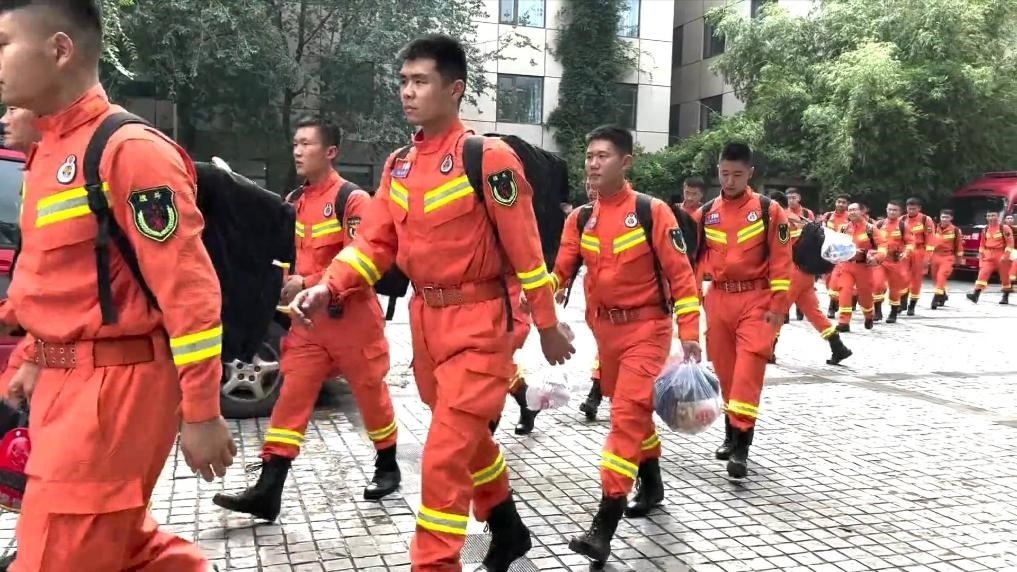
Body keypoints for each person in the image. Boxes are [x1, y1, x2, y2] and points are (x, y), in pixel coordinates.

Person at [287, 35, 575, 572]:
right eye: (403, 81)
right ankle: (508, 529)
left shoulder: (488, 158)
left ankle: (435, 563)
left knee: (443, 458)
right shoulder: (399, 165)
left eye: (420, 81)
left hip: (483, 324)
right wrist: (330, 284)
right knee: (465, 437)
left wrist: (546, 322)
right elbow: (373, 243)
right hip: (427, 324)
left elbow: (526, 249)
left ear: (454, 88)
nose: (407, 92)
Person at [0, 2, 235, 571]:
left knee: (58, 551)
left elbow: (190, 292)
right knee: (125, 548)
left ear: (60, 49)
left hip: (114, 391)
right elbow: (60, 281)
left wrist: (202, 412)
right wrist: (33, 354)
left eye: (2, 43)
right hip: (64, 385)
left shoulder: (130, 151)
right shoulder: (48, 151)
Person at [212, 118, 401, 523]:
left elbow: (365, 262)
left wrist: (310, 282)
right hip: (308, 326)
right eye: (295, 143)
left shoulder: (352, 200)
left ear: (330, 152)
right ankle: (269, 487)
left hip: (351, 320)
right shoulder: (294, 201)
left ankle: (387, 464)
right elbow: (287, 257)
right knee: (292, 396)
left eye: (306, 144)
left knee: (371, 395)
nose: (297, 151)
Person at [549, 126, 701, 565]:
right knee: (632, 410)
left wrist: (689, 332)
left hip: (647, 331)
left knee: (625, 415)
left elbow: (681, 277)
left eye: (603, 156)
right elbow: (561, 270)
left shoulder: (652, 212)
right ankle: (651, 485)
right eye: (589, 156)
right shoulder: (581, 218)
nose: (593, 164)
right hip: (606, 334)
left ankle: (604, 525)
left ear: (626, 162)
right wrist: (537, 296)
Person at [699, 142, 791, 480]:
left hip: (757, 300)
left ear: (750, 173)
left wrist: (778, 307)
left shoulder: (768, 210)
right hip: (719, 299)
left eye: (737, 174)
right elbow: (690, 260)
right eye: (724, 174)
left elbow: (782, 262)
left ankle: (741, 446)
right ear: (718, 171)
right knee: (726, 373)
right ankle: (730, 432)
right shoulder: (706, 212)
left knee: (747, 373)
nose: (730, 181)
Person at [768, 191, 851, 366]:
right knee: (813, 312)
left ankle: (768, 350)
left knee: (778, 310)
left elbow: (779, 247)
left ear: (776, 204)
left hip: (791, 273)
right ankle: (838, 347)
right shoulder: (797, 218)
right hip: (806, 274)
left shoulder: (782, 220)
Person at [834, 204, 877, 332]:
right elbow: (836, 245)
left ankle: (869, 315)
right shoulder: (843, 229)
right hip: (846, 266)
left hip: (864, 267)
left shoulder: (870, 229)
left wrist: (873, 255)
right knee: (845, 291)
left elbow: (882, 246)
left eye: (854, 210)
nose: (851, 212)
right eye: (850, 210)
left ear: (862, 211)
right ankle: (843, 322)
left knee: (865, 296)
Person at [872, 201, 911, 323]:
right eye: (890, 209)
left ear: (900, 212)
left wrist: (906, 252)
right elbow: (871, 241)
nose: (892, 212)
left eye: (895, 210)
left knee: (894, 290)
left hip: (896, 262)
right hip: (880, 261)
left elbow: (910, 242)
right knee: (877, 285)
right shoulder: (879, 224)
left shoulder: (903, 226)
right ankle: (877, 312)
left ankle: (893, 313)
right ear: (886, 210)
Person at [967, 211, 1013, 304]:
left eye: (993, 215)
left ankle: (1005, 296)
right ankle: (975, 295)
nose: (990, 218)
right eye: (988, 216)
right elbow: (982, 244)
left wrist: (1006, 255)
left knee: (1005, 277)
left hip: (1001, 254)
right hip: (988, 255)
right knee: (982, 274)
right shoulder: (985, 229)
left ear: (998, 217)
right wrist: (981, 254)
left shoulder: (1004, 228)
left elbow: (1010, 243)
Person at [902, 197, 935, 315]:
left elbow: (930, 240)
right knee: (902, 277)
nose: (911, 211)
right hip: (905, 251)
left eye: (914, 209)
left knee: (916, 280)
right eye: (909, 208)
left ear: (919, 208)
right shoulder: (902, 219)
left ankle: (912, 305)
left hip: (919, 251)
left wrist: (927, 257)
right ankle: (902, 301)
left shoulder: (925, 220)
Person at [821, 194, 851, 317]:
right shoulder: (828, 216)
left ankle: (832, 306)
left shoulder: (850, 217)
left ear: (847, 204)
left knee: (837, 280)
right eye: (839, 201)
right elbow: (821, 230)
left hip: (842, 252)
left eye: (843, 202)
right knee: (828, 279)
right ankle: (835, 299)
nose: (840, 204)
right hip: (828, 251)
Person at [929, 209, 963, 309]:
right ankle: (943, 296)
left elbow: (959, 246)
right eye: (943, 217)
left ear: (951, 218)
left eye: (947, 217)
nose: (944, 219)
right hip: (935, 256)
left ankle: (935, 299)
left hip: (948, 257)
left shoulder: (955, 230)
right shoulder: (934, 228)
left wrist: (959, 259)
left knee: (941, 276)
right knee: (935, 279)